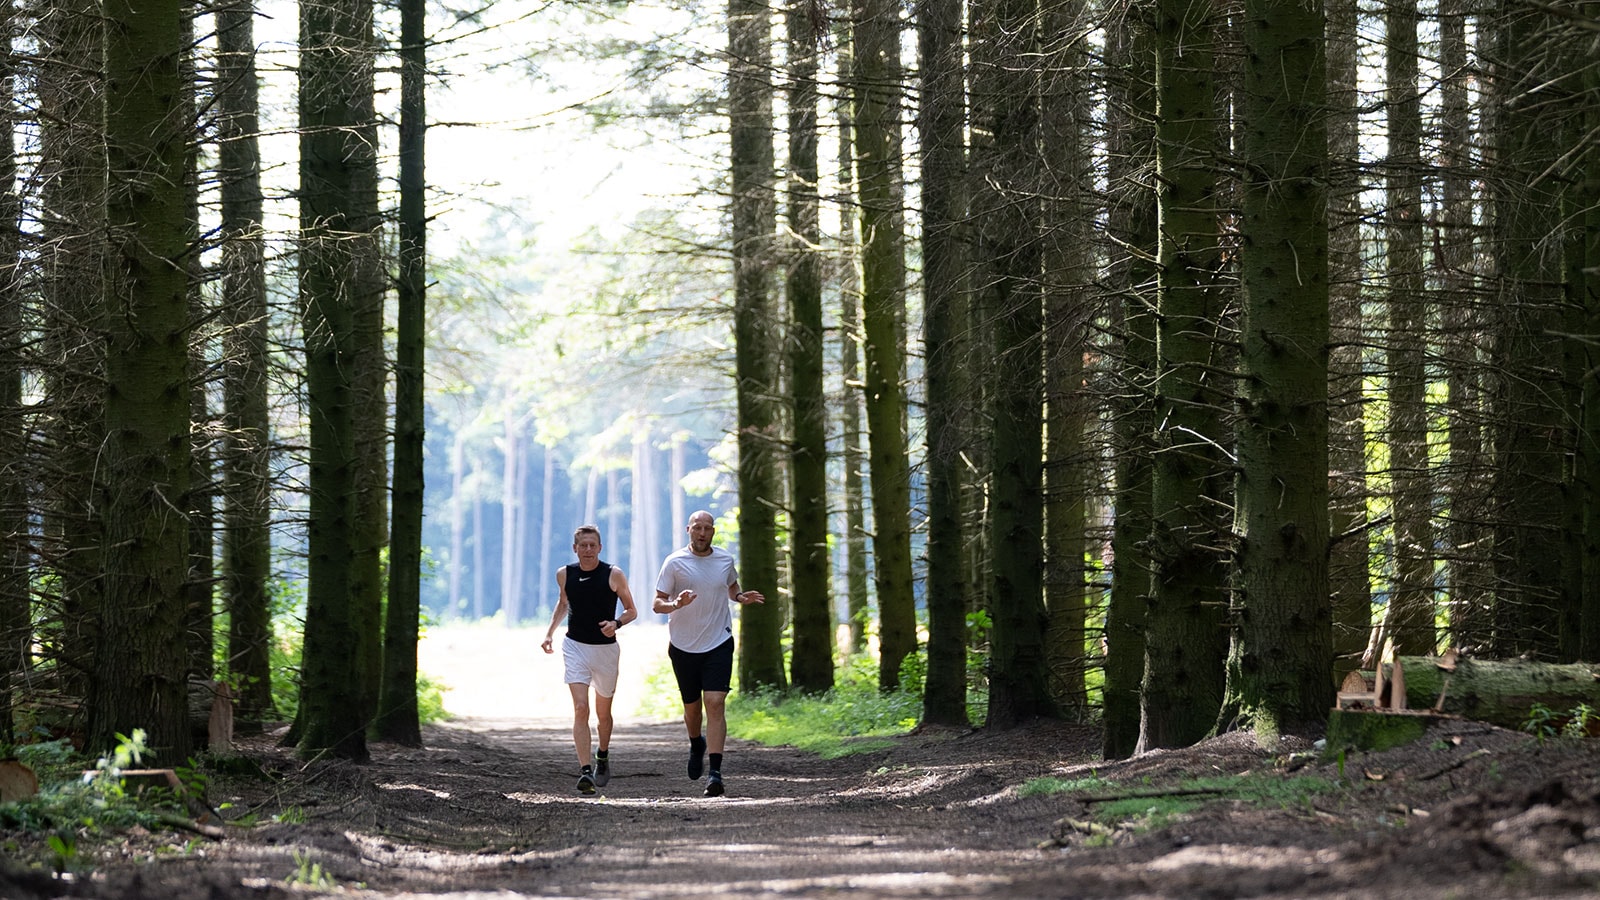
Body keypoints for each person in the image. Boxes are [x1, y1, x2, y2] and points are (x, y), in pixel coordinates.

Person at [653, 510, 764, 797]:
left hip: (718, 641)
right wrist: (675, 604)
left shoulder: (725, 559)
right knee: (692, 710)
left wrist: (740, 597)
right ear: (688, 529)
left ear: (713, 532)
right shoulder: (674, 562)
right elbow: (657, 603)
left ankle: (715, 773)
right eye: (697, 528)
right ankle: (695, 742)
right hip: (683, 645)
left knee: (714, 702)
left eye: (707, 528)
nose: (702, 533)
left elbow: (731, 585)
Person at [542, 524, 638, 795]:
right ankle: (585, 771)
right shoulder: (565, 574)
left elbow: (632, 610)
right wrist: (549, 634)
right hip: (574, 647)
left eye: (592, 545)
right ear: (575, 548)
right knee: (581, 709)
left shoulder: (613, 574)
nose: (587, 550)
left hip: (605, 650)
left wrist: (616, 623)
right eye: (582, 545)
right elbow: (563, 604)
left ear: (600, 548)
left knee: (603, 714)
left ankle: (602, 755)